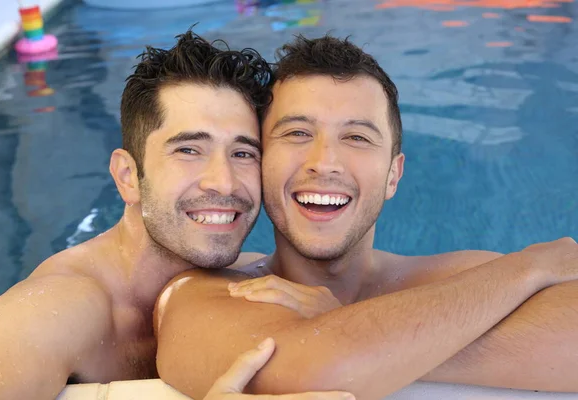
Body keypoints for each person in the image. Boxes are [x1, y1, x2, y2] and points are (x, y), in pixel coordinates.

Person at [155, 34, 578, 400]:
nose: (325, 162)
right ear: (262, 160)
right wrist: (530, 267)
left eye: (357, 137)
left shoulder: (458, 276)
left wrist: (351, 334)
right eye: (298, 133)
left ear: (393, 176)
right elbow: (319, 372)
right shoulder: (203, 296)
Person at [0, 30, 351, 400]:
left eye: (242, 154)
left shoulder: (259, 284)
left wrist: (334, 323)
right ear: (128, 177)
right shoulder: (47, 317)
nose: (223, 183)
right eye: (189, 150)